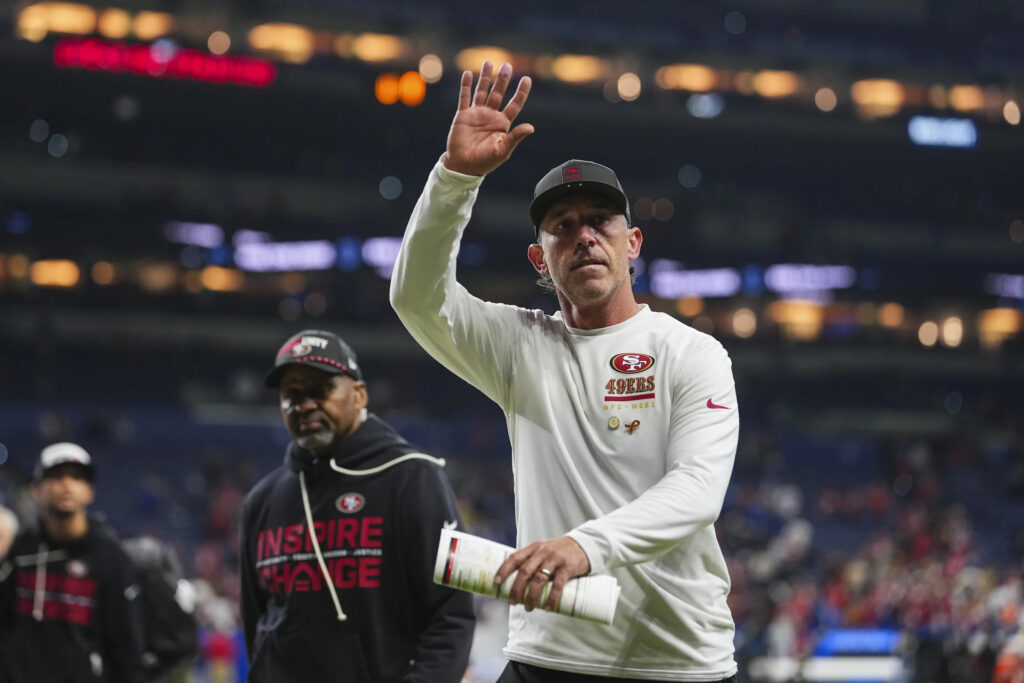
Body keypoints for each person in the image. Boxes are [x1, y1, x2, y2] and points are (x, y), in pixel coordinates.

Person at [391, 61, 740, 682]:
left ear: (632, 243)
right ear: (540, 257)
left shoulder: (691, 353)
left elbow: (696, 491)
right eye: (563, 226)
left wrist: (585, 546)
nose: (584, 236)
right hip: (547, 654)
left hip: (675, 661)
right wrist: (455, 179)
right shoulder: (520, 346)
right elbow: (417, 299)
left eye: (600, 221)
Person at [239, 329, 475, 683]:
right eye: (292, 396)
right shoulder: (261, 501)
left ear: (359, 395)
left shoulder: (414, 478)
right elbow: (256, 623)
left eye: (321, 390)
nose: (305, 405)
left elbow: (452, 614)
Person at [0, 442, 145, 683]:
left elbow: (126, 646)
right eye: (56, 476)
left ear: (89, 491)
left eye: (77, 477)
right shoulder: (22, 551)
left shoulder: (108, 557)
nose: (67, 485)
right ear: (37, 490)